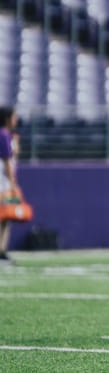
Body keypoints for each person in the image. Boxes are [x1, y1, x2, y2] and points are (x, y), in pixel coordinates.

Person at [0, 106, 19, 265]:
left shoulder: (8, 136)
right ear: (7, 119)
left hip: (4, 182)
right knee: (4, 217)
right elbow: (7, 161)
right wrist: (13, 183)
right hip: (3, 183)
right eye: (14, 117)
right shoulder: (3, 135)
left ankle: (2, 250)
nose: (16, 120)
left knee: (5, 218)